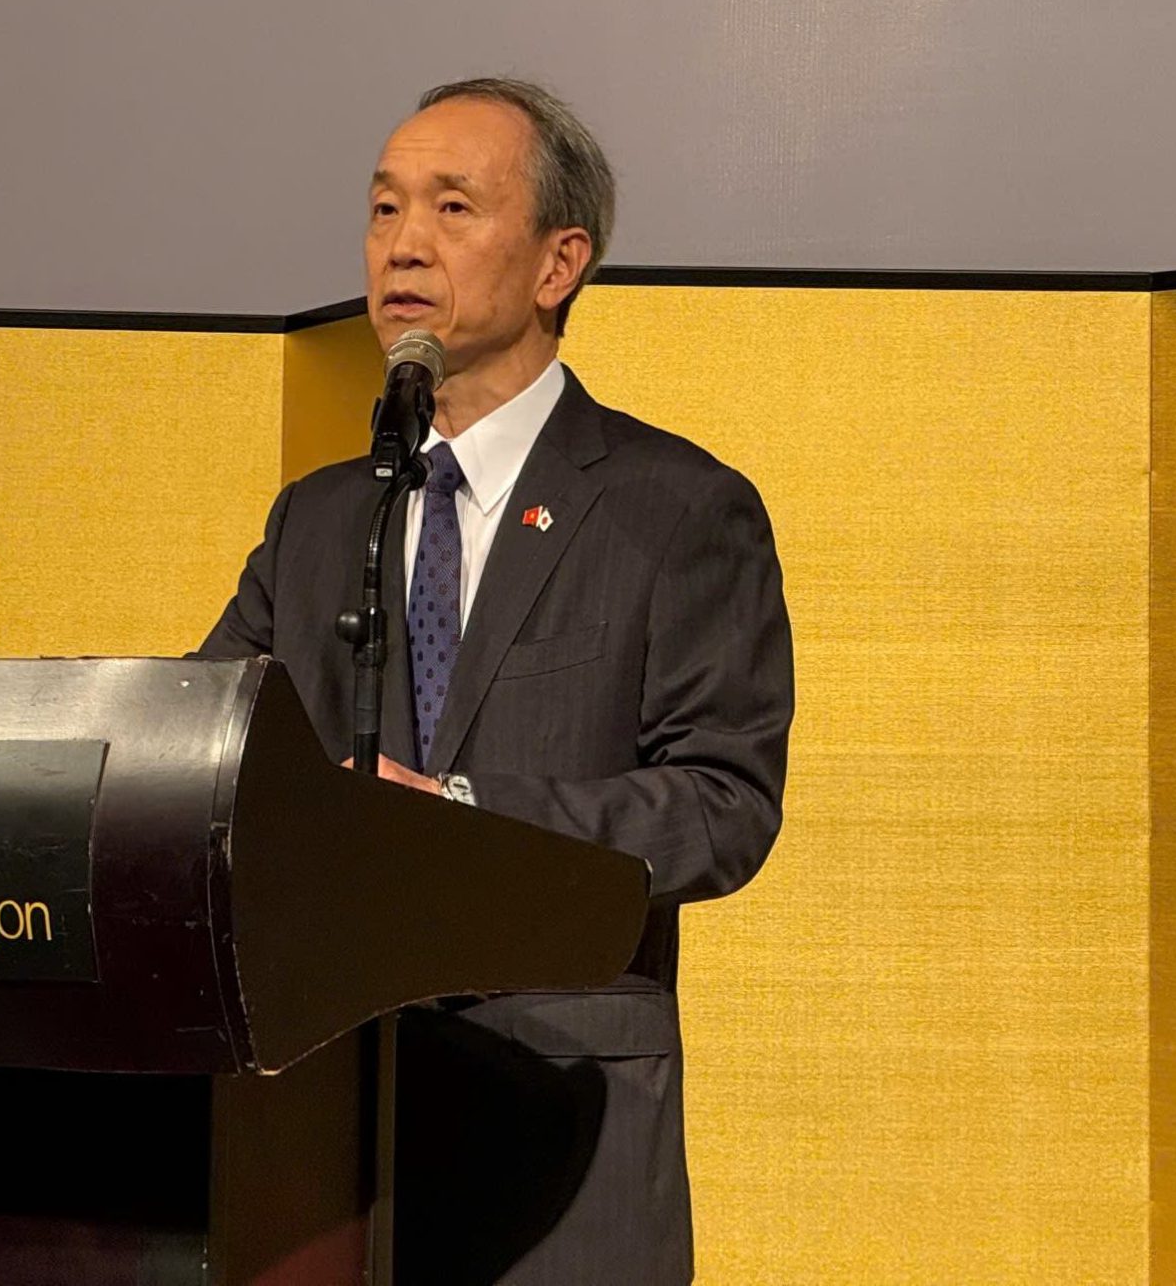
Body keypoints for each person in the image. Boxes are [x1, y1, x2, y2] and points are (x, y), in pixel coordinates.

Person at [198, 77, 793, 1285]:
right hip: (320, 1133)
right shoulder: (322, 520)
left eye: (452, 207)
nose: (403, 244)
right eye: (383, 209)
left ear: (557, 264)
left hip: (556, 1114)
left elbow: (723, 805)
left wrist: (463, 815)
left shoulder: (675, 509)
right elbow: (204, 750)